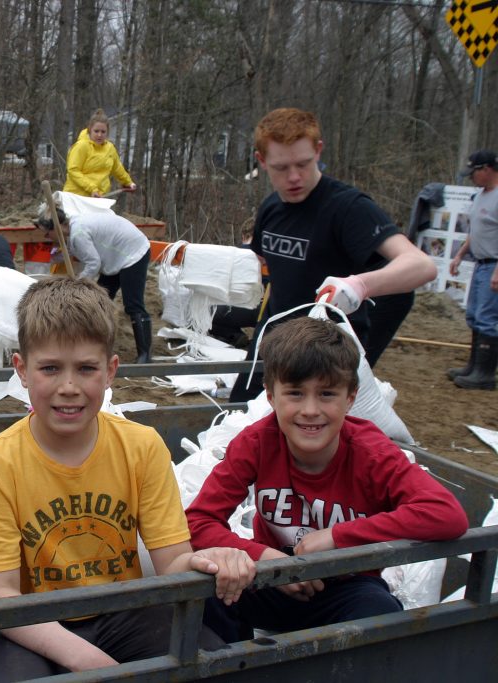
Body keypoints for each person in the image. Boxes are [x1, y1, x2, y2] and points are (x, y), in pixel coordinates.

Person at [0, 277, 254, 680]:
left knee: (211, 662)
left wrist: (211, 559)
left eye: (86, 368)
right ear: (22, 371)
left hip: (127, 613)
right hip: (35, 623)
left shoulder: (142, 447)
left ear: (110, 371)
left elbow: (173, 563)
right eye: (50, 368)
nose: (69, 387)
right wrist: (82, 658)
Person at [188, 317, 468, 643]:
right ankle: (236, 667)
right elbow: (198, 520)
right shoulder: (257, 442)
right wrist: (265, 560)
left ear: (350, 398)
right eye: (294, 393)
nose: (310, 410)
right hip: (269, 580)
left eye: (326, 394)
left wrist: (338, 536)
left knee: (380, 612)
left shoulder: (372, 452)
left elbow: (446, 513)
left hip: (346, 586)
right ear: (270, 396)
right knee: (200, 589)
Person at [229, 108, 436, 401]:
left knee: (306, 429)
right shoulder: (271, 208)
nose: (294, 177)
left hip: (327, 345)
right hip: (275, 335)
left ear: (318, 150)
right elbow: (265, 261)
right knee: (238, 416)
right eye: (281, 168)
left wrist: (360, 285)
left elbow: (421, 265)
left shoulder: (348, 207)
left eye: (304, 163)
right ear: (261, 161)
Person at [34, 202, 153, 363]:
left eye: (47, 234)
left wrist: (79, 284)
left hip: (132, 252)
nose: (46, 237)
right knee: (101, 301)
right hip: (114, 255)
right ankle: (95, 345)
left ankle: (144, 355)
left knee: (133, 304)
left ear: (57, 228)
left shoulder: (78, 233)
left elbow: (93, 263)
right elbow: (79, 253)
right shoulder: (73, 228)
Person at [447, 150, 498, 391]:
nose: (471, 178)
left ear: (487, 169)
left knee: (488, 319)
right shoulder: (479, 197)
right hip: (480, 264)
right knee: (474, 316)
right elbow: (475, 232)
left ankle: (485, 375)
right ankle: (473, 367)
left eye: (474, 172)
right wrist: (459, 254)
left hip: (494, 265)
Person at [63, 109, 136, 198]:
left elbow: (117, 168)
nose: (99, 135)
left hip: (98, 197)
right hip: (76, 197)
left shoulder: (110, 148)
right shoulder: (81, 146)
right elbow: (73, 170)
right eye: (96, 131)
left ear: (107, 132)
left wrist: (128, 182)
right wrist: (92, 188)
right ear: (90, 130)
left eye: (103, 132)